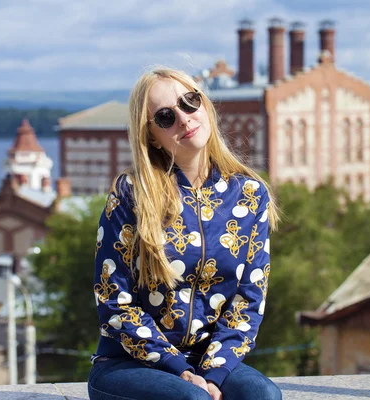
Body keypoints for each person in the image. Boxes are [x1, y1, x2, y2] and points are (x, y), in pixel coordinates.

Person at [88, 67, 282, 400]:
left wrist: (212, 374)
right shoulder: (132, 193)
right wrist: (183, 373)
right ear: (151, 135)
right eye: (165, 116)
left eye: (189, 102)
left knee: (262, 396)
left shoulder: (250, 194)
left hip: (212, 360)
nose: (184, 118)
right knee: (191, 399)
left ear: (204, 105)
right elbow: (115, 301)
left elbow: (248, 300)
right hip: (128, 364)